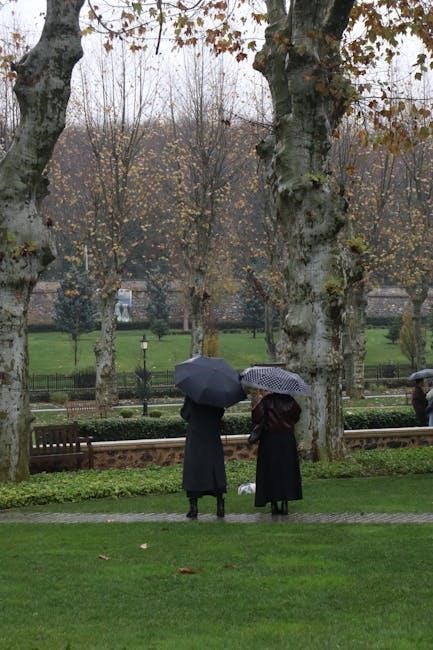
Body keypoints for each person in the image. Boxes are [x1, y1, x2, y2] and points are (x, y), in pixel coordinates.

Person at [252, 388, 302, 515]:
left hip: (270, 440)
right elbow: (296, 416)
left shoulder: (266, 401)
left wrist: (258, 401)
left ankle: (273, 503)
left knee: (270, 470)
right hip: (286, 440)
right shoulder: (290, 401)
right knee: (286, 470)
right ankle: (285, 501)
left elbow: (256, 417)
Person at [181, 396, 227, 519]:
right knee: (215, 469)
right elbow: (220, 413)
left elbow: (185, 414)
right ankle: (220, 504)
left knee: (194, 470)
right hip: (212, 436)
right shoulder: (215, 396)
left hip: (196, 436)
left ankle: (193, 507)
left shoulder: (192, 395)